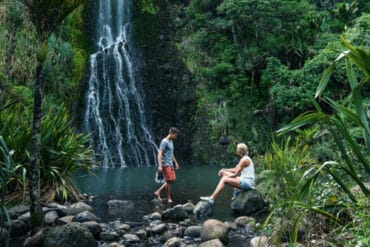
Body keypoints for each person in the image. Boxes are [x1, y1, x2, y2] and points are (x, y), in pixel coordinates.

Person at [154, 127, 180, 203]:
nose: (176, 136)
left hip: (170, 163)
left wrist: (175, 162)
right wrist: (160, 166)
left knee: (172, 180)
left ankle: (158, 192)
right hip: (165, 163)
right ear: (172, 134)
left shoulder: (171, 141)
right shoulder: (164, 141)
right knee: (168, 181)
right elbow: (159, 153)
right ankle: (169, 198)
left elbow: (171, 153)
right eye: (176, 135)